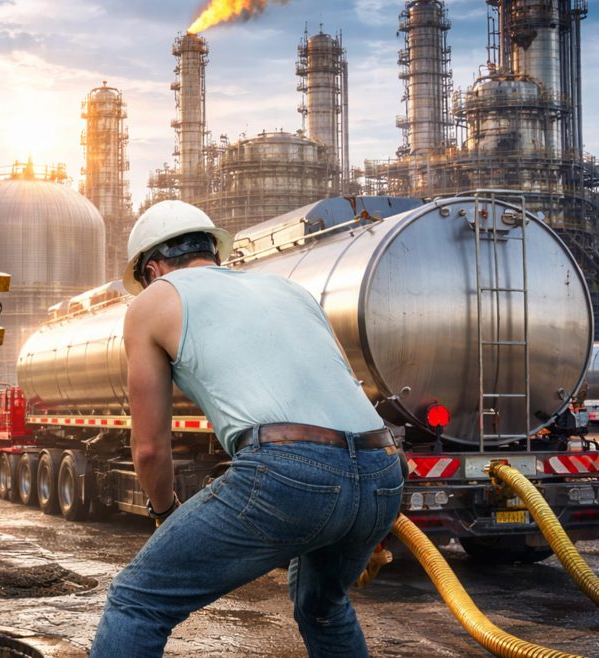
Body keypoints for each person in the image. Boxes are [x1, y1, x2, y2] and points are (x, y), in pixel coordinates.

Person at [91, 200, 404, 657]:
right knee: (323, 606)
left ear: (152, 270)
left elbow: (151, 449)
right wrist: (365, 514)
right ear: (215, 254)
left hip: (288, 474)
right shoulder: (291, 290)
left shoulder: (153, 302)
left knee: (137, 602)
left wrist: (164, 514)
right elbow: (347, 388)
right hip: (382, 471)